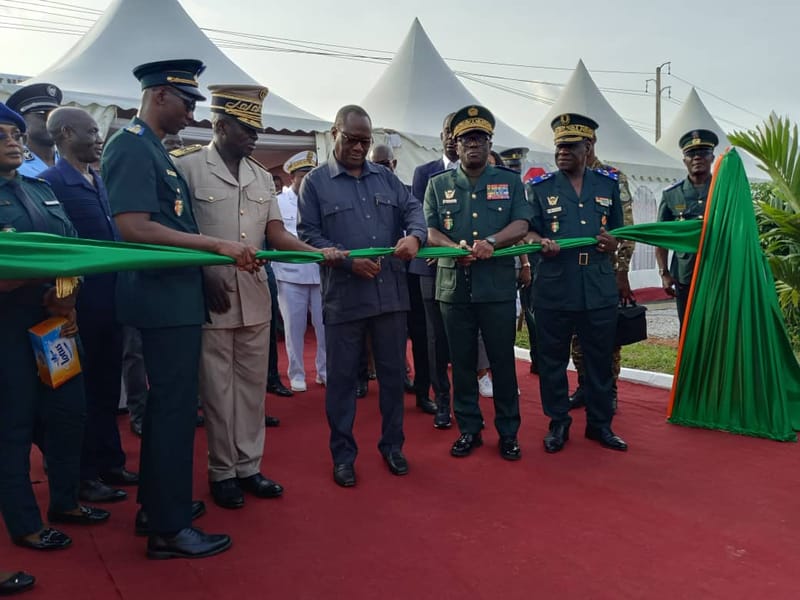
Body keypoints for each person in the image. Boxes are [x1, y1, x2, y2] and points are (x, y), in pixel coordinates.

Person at [101, 59, 256, 559]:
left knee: (173, 408)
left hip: (175, 298)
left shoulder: (156, 151)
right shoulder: (130, 146)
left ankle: (157, 505)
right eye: (188, 103)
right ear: (161, 95)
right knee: (171, 411)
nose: (192, 114)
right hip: (160, 300)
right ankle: (168, 530)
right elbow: (134, 227)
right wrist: (214, 246)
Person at [174, 84, 342, 509]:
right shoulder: (188, 169)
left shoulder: (259, 175)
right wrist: (201, 271)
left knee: (251, 388)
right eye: (245, 127)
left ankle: (249, 466)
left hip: (254, 293)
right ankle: (222, 471)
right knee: (216, 388)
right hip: (211, 295)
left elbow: (277, 234)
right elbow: (179, 236)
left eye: (257, 127)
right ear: (220, 124)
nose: (253, 135)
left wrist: (318, 253)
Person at [298, 104, 426, 487]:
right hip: (345, 296)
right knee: (341, 381)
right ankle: (343, 455)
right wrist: (347, 262)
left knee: (391, 377)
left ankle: (393, 447)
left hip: (389, 295)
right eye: (351, 139)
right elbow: (308, 235)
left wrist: (414, 237)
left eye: (364, 141)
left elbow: (414, 211)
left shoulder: (387, 180)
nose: (358, 147)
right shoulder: (316, 183)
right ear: (335, 132)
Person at [0, 102, 109, 552]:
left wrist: (67, 291)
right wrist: (21, 276)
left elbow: (70, 249)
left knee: (69, 414)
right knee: (13, 426)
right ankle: (24, 523)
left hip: (55, 326)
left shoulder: (37, 188)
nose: (12, 141)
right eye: (2, 135)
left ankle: (65, 501)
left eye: (14, 134)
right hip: (7, 330)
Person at [40, 107, 139, 505]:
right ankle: (81, 475)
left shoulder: (97, 178)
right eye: (92, 131)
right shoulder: (50, 182)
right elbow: (59, 249)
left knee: (104, 387)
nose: (99, 138)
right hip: (78, 305)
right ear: (66, 134)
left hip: (111, 300)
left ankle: (109, 461)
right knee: (76, 396)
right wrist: (67, 303)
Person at [423, 105, 531, 460]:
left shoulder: (509, 181)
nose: (474, 145)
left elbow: (521, 224)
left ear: (489, 143)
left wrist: (493, 243)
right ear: (455, 144)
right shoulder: (438, 185)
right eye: (466, 139)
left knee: (502, 363)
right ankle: (469, 429)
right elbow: (430, 230)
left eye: (480, 139)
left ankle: (508, 432)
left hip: (497, 287)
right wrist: (454, 248)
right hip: (453, 288)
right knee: (463, 364)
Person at [525, 113, 627, 453]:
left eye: (570, 146)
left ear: (588, 148)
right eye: (558, 146)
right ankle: (558, 424)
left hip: (597, 286)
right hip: (554, 284)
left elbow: (618, 231)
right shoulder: (541, 188)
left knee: (599, 362)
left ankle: (600, 425)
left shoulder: (607, 184)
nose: (562, 152)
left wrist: (613, 244)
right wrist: (541, 242)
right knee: (552, 362)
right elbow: (528, 228)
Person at [569, 131, 636, 409]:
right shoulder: (565, 178)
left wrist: (622, 271)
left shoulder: (612, 178)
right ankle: (584, 386)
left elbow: (626, 229)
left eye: (579, 144)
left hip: (604, 271)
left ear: (591, 144)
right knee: (577, 335)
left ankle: (609, 389)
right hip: (573, 271)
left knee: (607, 335)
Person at [370, 143, 436, 414]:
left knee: (421, 336)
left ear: (394, 165)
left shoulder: (406, 192)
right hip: (379, 274)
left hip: (411, 274)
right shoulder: (365, 191)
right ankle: (391, 386)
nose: (382, 169)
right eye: (376, 164)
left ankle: (423, 391)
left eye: (386, 164)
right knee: (387, 338)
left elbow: (418, 221)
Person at [272, 150, 327, 392]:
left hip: (319, 273)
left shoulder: (319, 201)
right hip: (290, 274)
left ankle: (324, 370)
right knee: (294, 328)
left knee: (324, 325)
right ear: (292, 177)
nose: (307, 179)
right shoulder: (278, 202)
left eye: (311, 174)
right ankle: (296, 373)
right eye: (304, 174)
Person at [656, 129, 718, 330]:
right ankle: (689, 363)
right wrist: (664, 273)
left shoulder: (722, 191)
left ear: (712, 158)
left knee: (718, 328)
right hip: (685, 274)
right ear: (684, 160)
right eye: (692, 153)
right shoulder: (672, 195)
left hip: (718, 271)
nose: (697, 157)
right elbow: (661, 238)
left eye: (703, 152)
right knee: (688, 327)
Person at [5, 83, 62, 176]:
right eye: (42, 113)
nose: (51, 120)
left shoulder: (72, 162)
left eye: (55, 115)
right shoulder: (11, 165)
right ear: (21, 120)